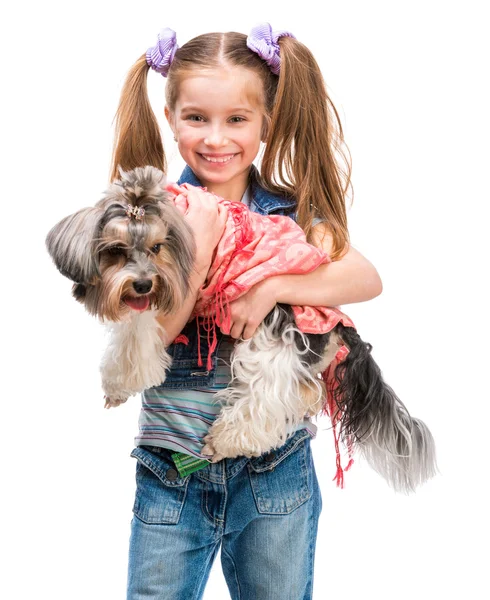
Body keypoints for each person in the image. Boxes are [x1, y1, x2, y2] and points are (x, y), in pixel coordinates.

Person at [109, 23, 382, 600]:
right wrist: (201, 244)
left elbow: (365, 278)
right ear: (169, 115)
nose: (215, 138)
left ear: (266, 124)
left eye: (236, 119)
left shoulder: (287, 213)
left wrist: (270, 288)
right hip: (170, 471)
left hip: (273, 472)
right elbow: (150, 338)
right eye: (196, 118)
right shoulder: (148, 212)